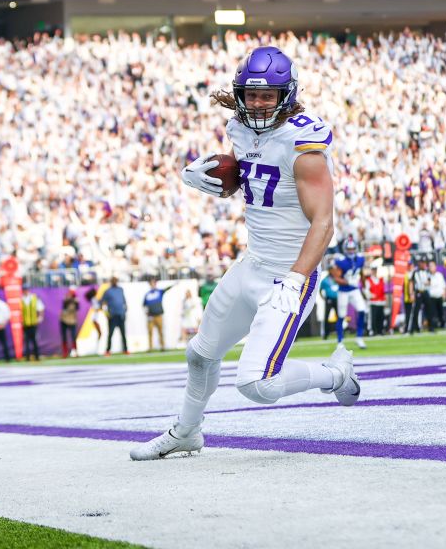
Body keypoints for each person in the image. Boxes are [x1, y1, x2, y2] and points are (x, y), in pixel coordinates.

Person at [131, 46, 358, 461]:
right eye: (251, 95)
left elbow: (324, 222)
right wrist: (212, 179)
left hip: (289, 273)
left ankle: (335, 373)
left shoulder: (303, 143)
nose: (257, 104)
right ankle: (187, 432)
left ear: (285, 95)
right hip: (252, 262)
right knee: (199, 354)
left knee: (258, 385)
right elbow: (248, 178)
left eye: (267, 96)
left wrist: (295, 278)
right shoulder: (239, 128)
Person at [330, 236, 367, 349]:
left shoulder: (360, 259)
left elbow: (361, 273)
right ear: (345, 249)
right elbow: (335, 278)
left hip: (355, 290)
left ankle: (359, 337)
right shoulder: (341, 261)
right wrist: (347, 282)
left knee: (362, 310)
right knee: (341, 315)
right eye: (349, 249)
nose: (351, 251)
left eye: (352, 249)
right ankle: (340, 341)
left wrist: (364, 286)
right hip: (344, 291)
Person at [100, 277, 129, 355]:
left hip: (121, 314)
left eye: (116, 281)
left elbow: (124, 301)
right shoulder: (107, 291)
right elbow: (102, 302)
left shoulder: (120, 290)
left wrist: (125, 310)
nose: (115, 282)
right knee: (110, 334)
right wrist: (106, 314)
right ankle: (108, 350)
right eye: (113, 281)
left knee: (123, 334)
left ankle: (125, 349)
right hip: (112, 316)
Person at [363, 264, 389, 336]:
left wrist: (384, 300)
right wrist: (371, 295)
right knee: (372, 318)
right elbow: (366, 291)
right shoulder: (368, 280)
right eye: (373, 270)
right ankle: (372, 330)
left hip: (381, 302)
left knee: (380, 317)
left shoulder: (380, 280)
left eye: (375, 270)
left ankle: (380, 330)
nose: (374, 271)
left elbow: (383, 291)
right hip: (373, 302)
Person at [143, 279, 167, 352]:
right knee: (150, 332)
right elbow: (144, 305)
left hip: (158, 315)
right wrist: (146, 312)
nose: (153, 285)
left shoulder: (159, 292)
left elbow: (166, 289)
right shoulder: (147, 294)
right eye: (151, 284)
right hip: (151, 316)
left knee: (160, 331)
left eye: (154, 283)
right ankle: (150, 347)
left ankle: (162, 346)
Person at [425, 259, 446, 332]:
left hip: (439, 296)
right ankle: (431, 327)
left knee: (441, 312)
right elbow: (426, 285)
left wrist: (444, 294)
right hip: (431, 297)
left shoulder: (439, 275)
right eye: (430, 266)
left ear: (435, 267)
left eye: (432, 266)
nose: (431, 268)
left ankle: (443, 324)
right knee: (431, 313)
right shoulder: (427, 276)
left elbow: (444, 285)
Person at [319, 272, 342, 344]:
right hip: (329, 299)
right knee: (327, 316)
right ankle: (326, 334)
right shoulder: (325, 280)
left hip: (336, 299)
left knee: (339, 316)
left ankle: (340, 332)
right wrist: (323, 298)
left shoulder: (336, 279)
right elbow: (320, 290)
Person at [21, 289, 43, 360]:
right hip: (25, 324)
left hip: (33, 323)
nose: (25, 291)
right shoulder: (21, 299)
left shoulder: (34, 298)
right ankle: (27, 357)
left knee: (34, 340)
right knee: (26, 341)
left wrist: (40, 317)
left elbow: (41, 308)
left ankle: (37, 356)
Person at [60, 289, 80, 358]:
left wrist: (75, 300)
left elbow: (77, 308)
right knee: (64, 337)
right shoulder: (66, 300)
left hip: (72, 320)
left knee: (73, 336)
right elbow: (65, 304)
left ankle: (75, 351)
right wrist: (71, 299)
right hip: (64, 320)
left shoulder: (75, 302)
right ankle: (65, 352)